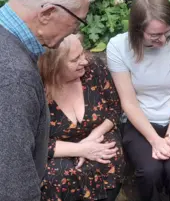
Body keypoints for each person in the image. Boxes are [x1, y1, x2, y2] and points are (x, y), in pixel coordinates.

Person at [0, 0, 95, 200]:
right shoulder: (13, 75)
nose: (76, 30)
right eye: (76, 21)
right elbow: (13, 183)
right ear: (47, 13)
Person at [106, 0, 170, 201]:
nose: (164, 40)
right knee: (149, 172)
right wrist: (154, 140)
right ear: (138, 30)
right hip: (139, 122)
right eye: (155, 35)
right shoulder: (118, 47)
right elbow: (128, 103)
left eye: (168, 32)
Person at [38, 34, 125, 201]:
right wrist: (82, 149)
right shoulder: (36, 87)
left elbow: (114, 108)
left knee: (108, 156)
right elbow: (33, 140)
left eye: (82, 53)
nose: (84, 61)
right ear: (53, 66)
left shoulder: (94, 69)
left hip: (97, 137)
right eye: (75, 59)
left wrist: (93, 137)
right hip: (57, 151)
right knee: (58, 175)